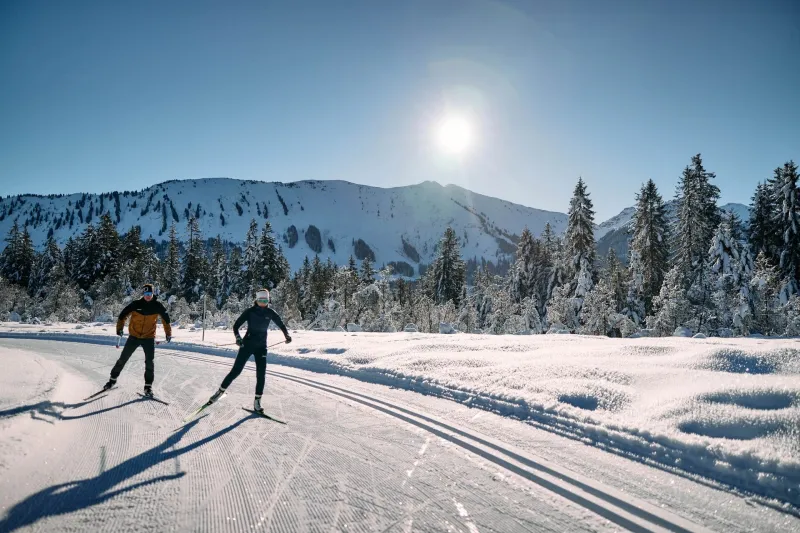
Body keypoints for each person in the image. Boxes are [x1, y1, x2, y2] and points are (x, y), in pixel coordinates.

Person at [206, 288, 291, 413]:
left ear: (268, 300)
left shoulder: (270, 312)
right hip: (247, 345)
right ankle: (219, 392)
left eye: (265, 300)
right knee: (236, 371)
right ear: (256, 300)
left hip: (261, 348)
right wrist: (238, 338)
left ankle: (257, 402)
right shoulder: (250, 312)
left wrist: (287, 335)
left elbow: (281, 324)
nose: (263, 302)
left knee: (261, 375)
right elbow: (236, 326)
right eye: (261, 300)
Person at [103, 283, 172, 396]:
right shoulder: (136, 304)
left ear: (152, 294)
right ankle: (112, 380)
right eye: (146, 294)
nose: (148, 296)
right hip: (134, 337)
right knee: (123, 359)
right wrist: (119, 329)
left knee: (149, 362)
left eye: (150, 293)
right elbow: (122, 315)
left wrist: (168, 333)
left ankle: (148, 387)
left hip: (148, 338)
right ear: (143, 294)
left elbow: (166, 320)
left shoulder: (157, 306)